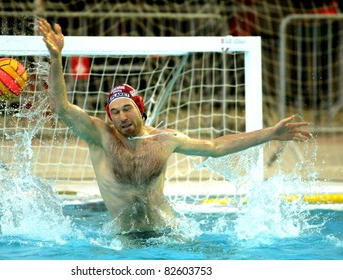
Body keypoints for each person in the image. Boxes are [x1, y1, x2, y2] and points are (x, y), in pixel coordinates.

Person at [37, 18, 311, 236]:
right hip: (123, 239)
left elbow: (216, 147)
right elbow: (62, 108)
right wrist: (56, 57)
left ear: (140, 109)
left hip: (168, 231)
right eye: (115, 112)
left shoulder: (165, 139)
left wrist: (271, 133)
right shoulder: (101, 136)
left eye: (127, 109)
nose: (121, 117)